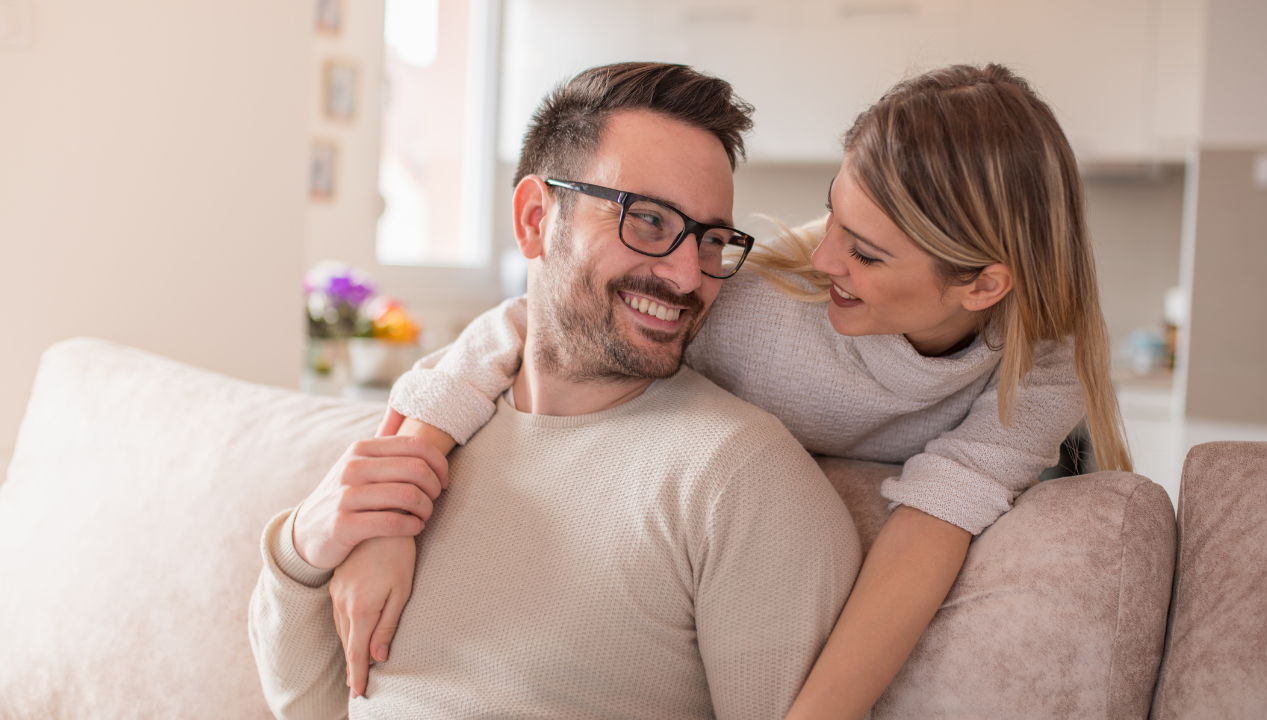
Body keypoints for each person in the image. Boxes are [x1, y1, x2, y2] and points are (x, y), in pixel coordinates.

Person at [333, 63, 1133, 718]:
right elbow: (533, 321)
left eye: (865, 253)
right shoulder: (759, 306)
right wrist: (389, 510)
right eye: (831, 220)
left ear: (985, 285)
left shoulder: (1041, 371)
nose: (822, 263)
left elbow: (933, 530)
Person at [248, 62, 861, 719]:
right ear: (536, 218)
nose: (689, 276)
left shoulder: (740, 478)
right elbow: (310, 706)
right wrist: (301, 552)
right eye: (648, 221)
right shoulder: (439, 420)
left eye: (711, 240)